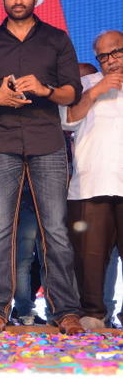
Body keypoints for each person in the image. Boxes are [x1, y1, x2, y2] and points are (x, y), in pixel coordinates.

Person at [0, 0, 84, 335]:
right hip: (2, 143)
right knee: (0, 229)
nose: (18, 0)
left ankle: (65, 310)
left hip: (47, 142)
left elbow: (72, 92)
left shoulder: (56, 39)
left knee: (56, 229)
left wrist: (45, 89)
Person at [63, 30, 123, 330]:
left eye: (116, 52)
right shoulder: (85, 84)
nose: (110, 60)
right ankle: (93, 314)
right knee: (90, 258)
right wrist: (97, 90)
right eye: (103, 56)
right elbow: (67, 120)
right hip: (91, 184)